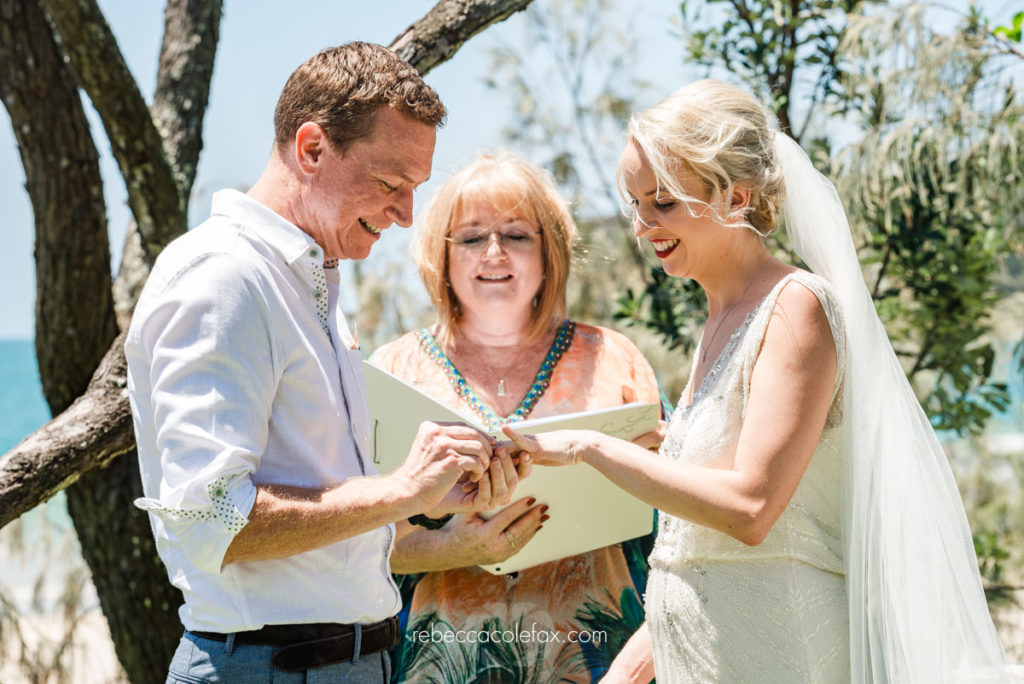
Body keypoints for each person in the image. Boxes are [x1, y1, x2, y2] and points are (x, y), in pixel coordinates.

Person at [504, 79, 1012, 683]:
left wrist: (593, 448)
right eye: (636, 205)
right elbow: (694, 555)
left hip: (781, 654)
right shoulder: (719, 319)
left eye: (662, 202)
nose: (643, 228)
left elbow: (750, 510)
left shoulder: (796, 307)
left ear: (737, 197)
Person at [125, 43, 528, 683]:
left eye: (414, 189)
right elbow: (212, 520)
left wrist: (432, 510)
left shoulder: (311, 281)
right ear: (311, 149)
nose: (405, 215)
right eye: (392, 184)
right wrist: (398, 490)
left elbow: (322, 512)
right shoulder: (223, 278)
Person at [368, 151, 664, 682]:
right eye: (472, 236)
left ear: (548, 253)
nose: (494, 252)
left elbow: (675, 536)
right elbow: (353, 546)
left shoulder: (615, 359)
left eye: (517, 235)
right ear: (443, 254)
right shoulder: (391, 371)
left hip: (603, 663)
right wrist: (452, 548)